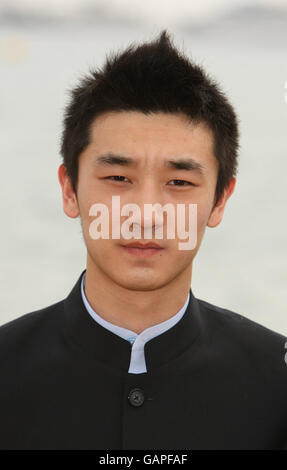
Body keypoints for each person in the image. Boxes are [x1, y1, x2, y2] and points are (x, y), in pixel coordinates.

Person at [0, 30, 286, 450]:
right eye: (118, 178)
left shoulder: (277, 384)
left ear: (220, 200)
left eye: (179, 181)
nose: (146, 214)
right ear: (69, 189)